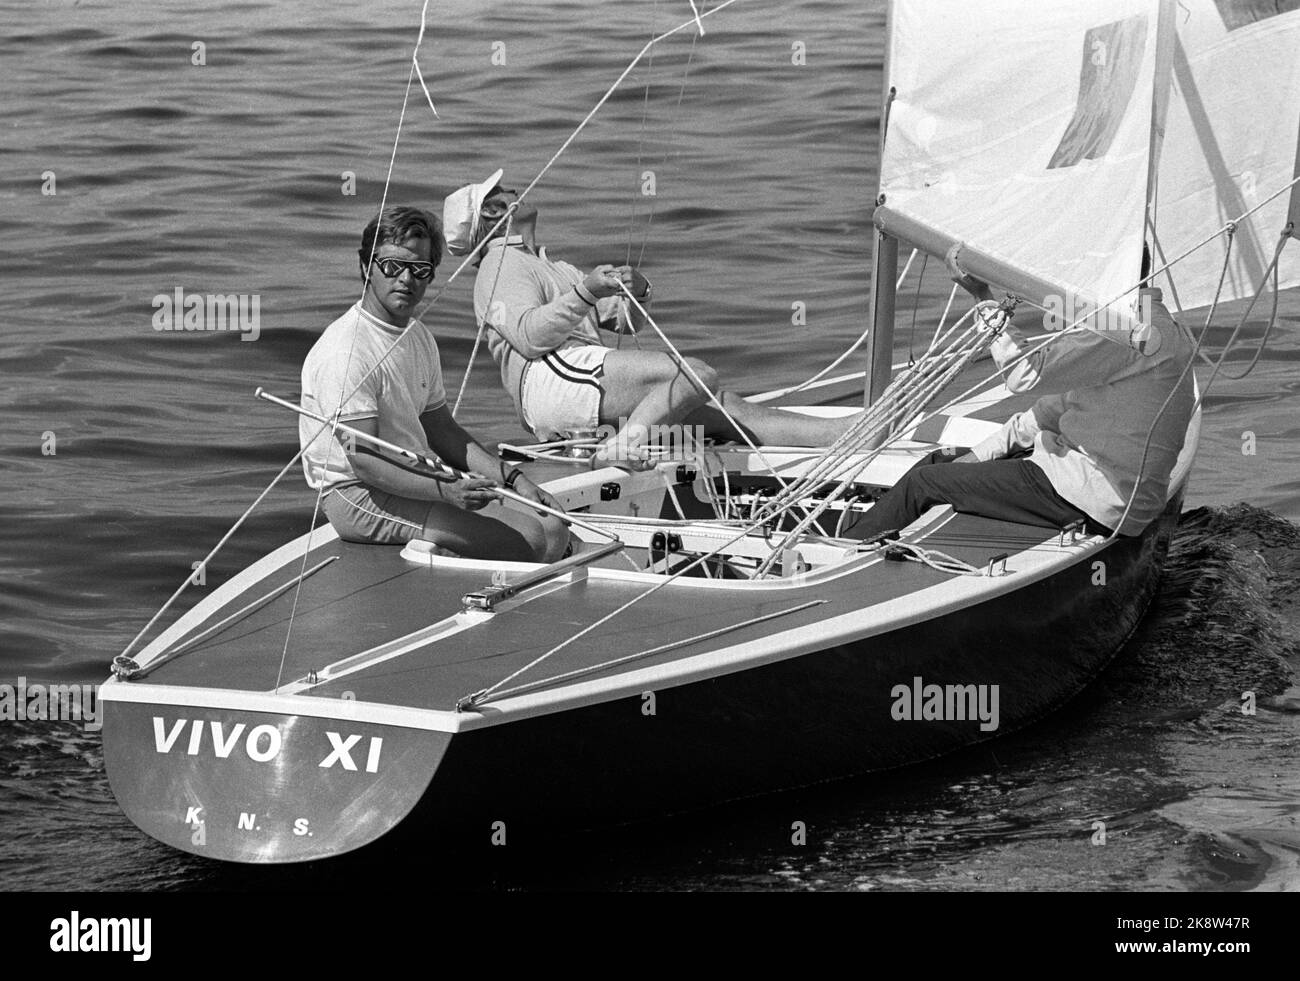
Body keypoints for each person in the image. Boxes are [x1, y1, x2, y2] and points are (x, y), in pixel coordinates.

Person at [442, 170, 863, 461]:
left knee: (725, 407)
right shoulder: (501, 264)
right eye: (503, 192)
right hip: (551, 379)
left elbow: (626, 321)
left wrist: (637, 288)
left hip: (577, 375)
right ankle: (626, 445)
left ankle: (848, 435)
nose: (516, 189)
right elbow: (530, 336)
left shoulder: (550, 264)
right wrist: (587, 290)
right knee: (696, 376)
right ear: (495, 214)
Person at [851, 254, 1197, 540]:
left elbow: (1025, 373)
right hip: (1075, 479)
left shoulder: (1132, 332)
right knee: (936, 464)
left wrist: (982, 296)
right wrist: (977, 456)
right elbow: (1053, 409)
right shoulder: (1138, 322)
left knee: (923, 483)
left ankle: (848, 551)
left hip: (1091, 498)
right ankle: (875, 536)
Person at [299, 205, 569, 563]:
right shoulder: (346, 351)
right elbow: (362, 460)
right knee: (530, 541)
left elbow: (442, 429)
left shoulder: (418, 337)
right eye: (392, 267)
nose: (406, 280)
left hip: (416, 475)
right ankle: (443, 551)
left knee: (554, 528)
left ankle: (454, 545)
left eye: (419, 269)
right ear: (366, 267)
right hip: (358, 494)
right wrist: (446, 490)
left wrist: (514, 479)